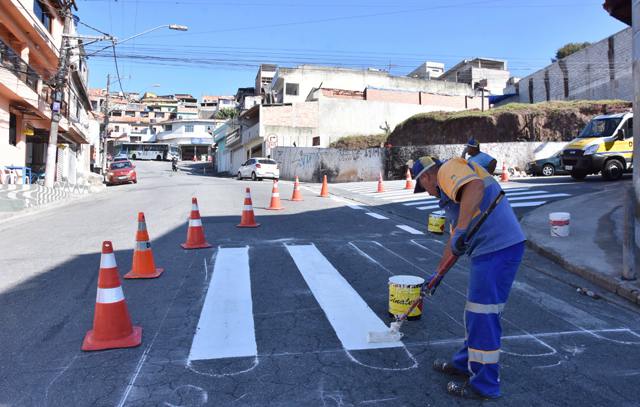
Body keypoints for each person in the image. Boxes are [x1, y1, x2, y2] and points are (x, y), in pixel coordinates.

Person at [411, 155, 525, 400]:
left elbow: (476, 186)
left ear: (429, 175)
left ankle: (484, 386)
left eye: (424, 186)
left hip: (498, 248)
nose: (428, 193)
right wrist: (437, 275)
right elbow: (454, 243)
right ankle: (464, 363)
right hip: (492, 250)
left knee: (483, 315)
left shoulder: (448, 170)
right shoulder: (454, 197)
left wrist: (462, 229)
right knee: (474, 313)